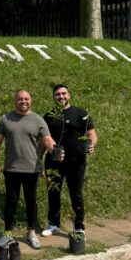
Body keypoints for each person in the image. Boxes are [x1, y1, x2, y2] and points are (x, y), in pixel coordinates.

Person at [0, 90, 59, 250]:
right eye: (20, 99)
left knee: (31, 202)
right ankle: (7, 233)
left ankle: (31, 233)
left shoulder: (38, 120)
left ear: (31, 100)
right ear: (15, 101)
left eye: (26, 98)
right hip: (11, 168)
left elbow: (48, 140)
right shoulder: (5, 119)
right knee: (11, 201)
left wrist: (55, 150)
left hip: (31, 169)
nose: (23, 101)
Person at [41, 84, 97, 238]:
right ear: (54, 97)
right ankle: (53, 224)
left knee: (76, 193)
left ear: (69, 95)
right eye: (58, 94)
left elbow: (92, 134)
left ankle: (79, 227)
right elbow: (44, 140)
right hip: (54, 161)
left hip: (76, 161)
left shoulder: (81, 113)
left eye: (64, 94)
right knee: (53, 192)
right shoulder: (49, 116)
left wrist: (91, 145)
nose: (61, 97)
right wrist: (38, 160)